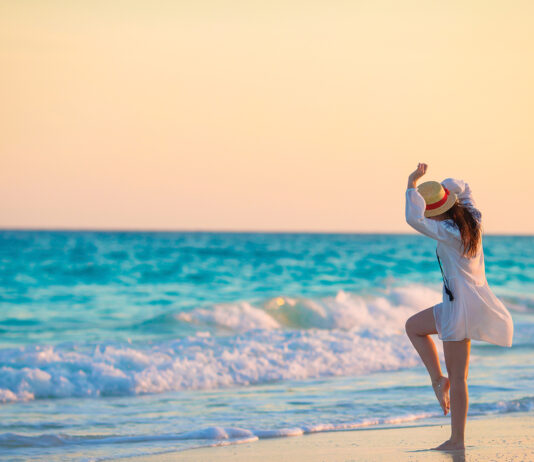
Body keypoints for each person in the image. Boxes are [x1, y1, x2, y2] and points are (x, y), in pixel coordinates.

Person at [403, 162, 514, 451]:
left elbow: (414, 220)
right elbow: (465, 187)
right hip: (470, 300)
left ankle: (457, 440)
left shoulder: (448, 232)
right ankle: (438, 379)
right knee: (414, 327)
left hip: (457, 306)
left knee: (460, 378)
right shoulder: (473, 219)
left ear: (438, 213)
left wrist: (411, 184)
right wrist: (443, 188)